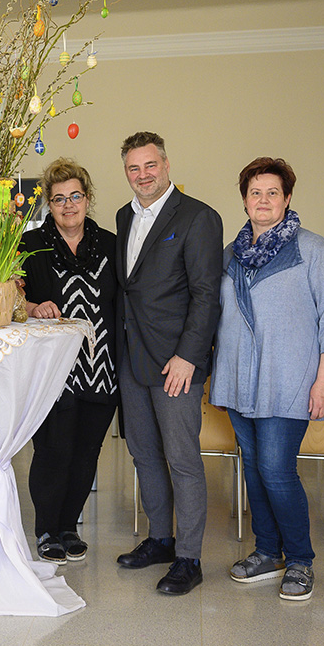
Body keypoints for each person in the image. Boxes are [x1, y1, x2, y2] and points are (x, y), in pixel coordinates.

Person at [209, 157, 324, 601]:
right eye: (255, 193)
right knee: (253, 468)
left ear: (287, 199)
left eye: (273, 193)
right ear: (245, 200)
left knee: (276, 469)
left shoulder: (311, 249)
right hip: (238, 380)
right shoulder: (230, 256)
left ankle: (302, 560)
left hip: (287, 379)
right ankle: (268, 551)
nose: (263, 200)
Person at [114, 131, 222, 596]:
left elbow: (206, 296)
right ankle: (160, 538)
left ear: (166, 164)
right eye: (134, 168)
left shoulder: (198, 217)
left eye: (150, 165)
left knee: (182, 459)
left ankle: (189, 558)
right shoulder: (123, 216)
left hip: (176, 362)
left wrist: (188, 357)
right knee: (143, 455)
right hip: (131, 359)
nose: (143, 175)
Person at [20, 158, 119, 564]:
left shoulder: (112, 244)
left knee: (86, 453)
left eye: (75, 196)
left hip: (103, 366)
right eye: (58, 199)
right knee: (53, 450)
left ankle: (68, 526)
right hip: (54, 372)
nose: (67, 205)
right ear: (48, 204)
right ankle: (46, 529)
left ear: (88, 198)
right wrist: (31, 306)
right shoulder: (31, 244)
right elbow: (9, 298)